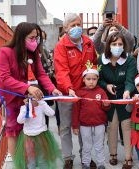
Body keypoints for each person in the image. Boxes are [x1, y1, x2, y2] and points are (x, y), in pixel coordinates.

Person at [0, 22, 61, 158]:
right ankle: (17, 163)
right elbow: (5, 78)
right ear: (20, 37)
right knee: (13, 130)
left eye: (36, 38)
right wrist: (27, 87)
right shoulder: (4, 52)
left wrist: (52, 88)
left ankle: (29, 160)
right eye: (31, 38)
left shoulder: (33, 53)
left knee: (28, 129)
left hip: (26, 97)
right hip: (10, 98)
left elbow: (41, 74)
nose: (35, 41)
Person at [54, 13, 98, 169]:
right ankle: (68, 158)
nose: (77, 28)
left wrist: (91, 84)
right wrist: (69, 88)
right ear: (66, 28)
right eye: (73, 25)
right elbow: (61, 71)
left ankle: (86, 156)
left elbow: (93, 64)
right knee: (66, 126)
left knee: (84, 126)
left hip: (85, 92)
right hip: (67, 93)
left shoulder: (88, 43)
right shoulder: (61, 46)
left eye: (79, 24)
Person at [98, 32, 137, 169]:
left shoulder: (130, 60)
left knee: (126, 126)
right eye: (114, 44)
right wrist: (106, 86)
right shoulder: (101, 60)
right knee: (112, 126)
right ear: (108, 45)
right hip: (109, 98)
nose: (117, 46)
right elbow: (99, 79)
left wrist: (127, 91)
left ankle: (128, 157)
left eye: (120, 44)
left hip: (125, 97)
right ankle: (113, 154)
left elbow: (130, 80)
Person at [14, 67, 61, 169]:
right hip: (28, 137)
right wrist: (25, 108)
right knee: (31, 161)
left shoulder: (41, 105)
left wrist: (42, 103)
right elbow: (19, 121)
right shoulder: (25, 108)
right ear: (26, 96)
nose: (33, 97)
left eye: (35, 94)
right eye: (30, 94)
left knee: (42, 159)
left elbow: (51, 113)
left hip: (42, 136)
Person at [72, 61, 110, 169]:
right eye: (88, 79)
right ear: (83, 79)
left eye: (94, 79)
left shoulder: (101, 91)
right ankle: (86, 163)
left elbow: (106, 107)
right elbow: (76, 110)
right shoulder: (79, 93)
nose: (91, 82)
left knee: (99, 145)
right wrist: (75, 126)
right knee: (86, 146)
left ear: (97, 79)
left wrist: (106, 105)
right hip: (84, 125)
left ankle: (101, 164)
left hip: (99, 124)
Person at [39, 30, 60, 130]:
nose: (40, 40)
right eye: (38, 37)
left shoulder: (46, 52)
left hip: (44, 88)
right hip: (30, 89)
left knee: (44, 114)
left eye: (42, 38)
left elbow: (50, 69)